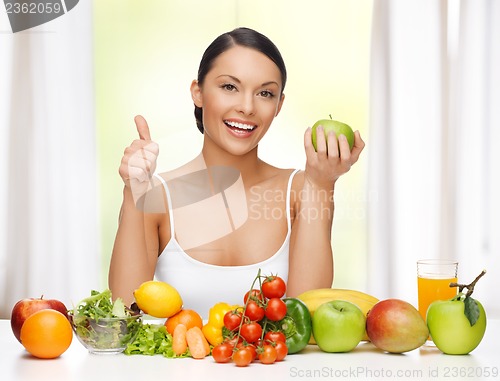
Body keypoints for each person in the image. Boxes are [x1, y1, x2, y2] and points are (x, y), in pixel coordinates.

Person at [108, 27, 364, 317]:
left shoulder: (301, 190)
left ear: (278, 105)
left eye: (265, 93)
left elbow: (304, 316)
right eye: (229, 87)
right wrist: (134, 192)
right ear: (198, 92)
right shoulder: (156, 197)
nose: (247, 107)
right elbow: (123, 316)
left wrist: (322, 184)